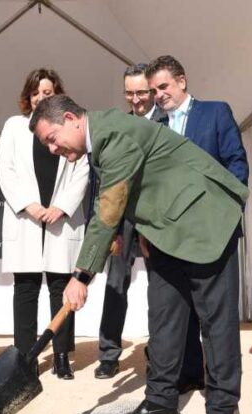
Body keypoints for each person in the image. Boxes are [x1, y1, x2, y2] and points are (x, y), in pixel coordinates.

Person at [31, 95, 249, 414]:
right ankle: (162, 402)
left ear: (71, 118)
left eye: (52, 138)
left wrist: (81, 276)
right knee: (163, 319)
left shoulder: (114, 136)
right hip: (166, 230)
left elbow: (109, 209)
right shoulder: (100, 138)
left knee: (215, 324)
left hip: (206, 224)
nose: (52, 148)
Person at [146, 55, 249, 393]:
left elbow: (237, 164)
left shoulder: (216, 112)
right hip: (171, 239)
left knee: (216, 318)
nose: (159, 95)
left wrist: (226, 216)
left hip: (213, 234)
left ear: (182, 81)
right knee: (175, 315)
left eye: (163, 86)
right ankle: (187, 376)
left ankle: (222, 398)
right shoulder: (153, 128)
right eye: (153, 90)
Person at [0, 68, 88, 379]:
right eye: (36, 93)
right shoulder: (13, 127)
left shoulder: (69, 127)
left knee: (61, 289)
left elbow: (82, 170)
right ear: (28, 96)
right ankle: (26, 356)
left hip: (60, 221)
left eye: (47, 93)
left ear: (58, 95)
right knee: (25, 290)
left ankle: (61, 355)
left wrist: (61, 208)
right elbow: (4, 170)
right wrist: (30, 206)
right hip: (27, 219)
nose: (41, 98)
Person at [94, 63, 164, 379]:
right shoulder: (116, 125)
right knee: (114, 284)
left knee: (160, 287)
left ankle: (159, 351)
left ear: (152, 90)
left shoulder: (168, 120)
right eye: (130, 93)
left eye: (141, 92)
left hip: (156, 219)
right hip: (121, 219)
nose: (136, 100)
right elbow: (103, 176)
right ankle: (109, 354)